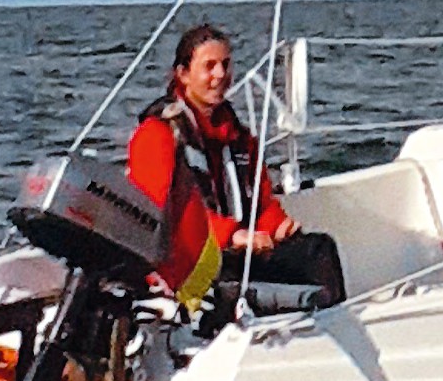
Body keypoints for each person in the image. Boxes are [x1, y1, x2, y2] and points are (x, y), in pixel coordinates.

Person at [127, 24, 345, 330]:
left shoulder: (239, 138)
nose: (220, 75)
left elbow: (261, 201)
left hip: (239, 253)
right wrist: (234, 235)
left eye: (226, 65)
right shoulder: (157, 135)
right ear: (183, 74)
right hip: (192, 264)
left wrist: (278, 228)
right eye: (209, 66)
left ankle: (329, 334)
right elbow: (165, 215)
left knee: (317, 249)